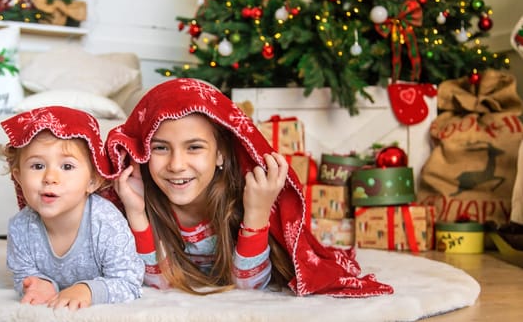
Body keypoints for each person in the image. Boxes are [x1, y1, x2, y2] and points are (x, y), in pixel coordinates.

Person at [105, 78, 393, 297]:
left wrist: (257, 212)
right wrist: (136, 213)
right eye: (160, 148)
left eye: (194, 147)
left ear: (220, 153)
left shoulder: (236, 199)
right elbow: (157, 282)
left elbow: (249, 285)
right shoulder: (144, 199)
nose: (177, 165)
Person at [0, 106, 144, 310]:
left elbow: (129, 282)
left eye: (67, 167)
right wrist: (40, 283)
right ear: (19, 177)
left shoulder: (106, 222)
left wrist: (88, 290)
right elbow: (23, 273)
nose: (50, 178)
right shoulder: (20, 227)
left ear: (92, 181)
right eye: (37, 166)